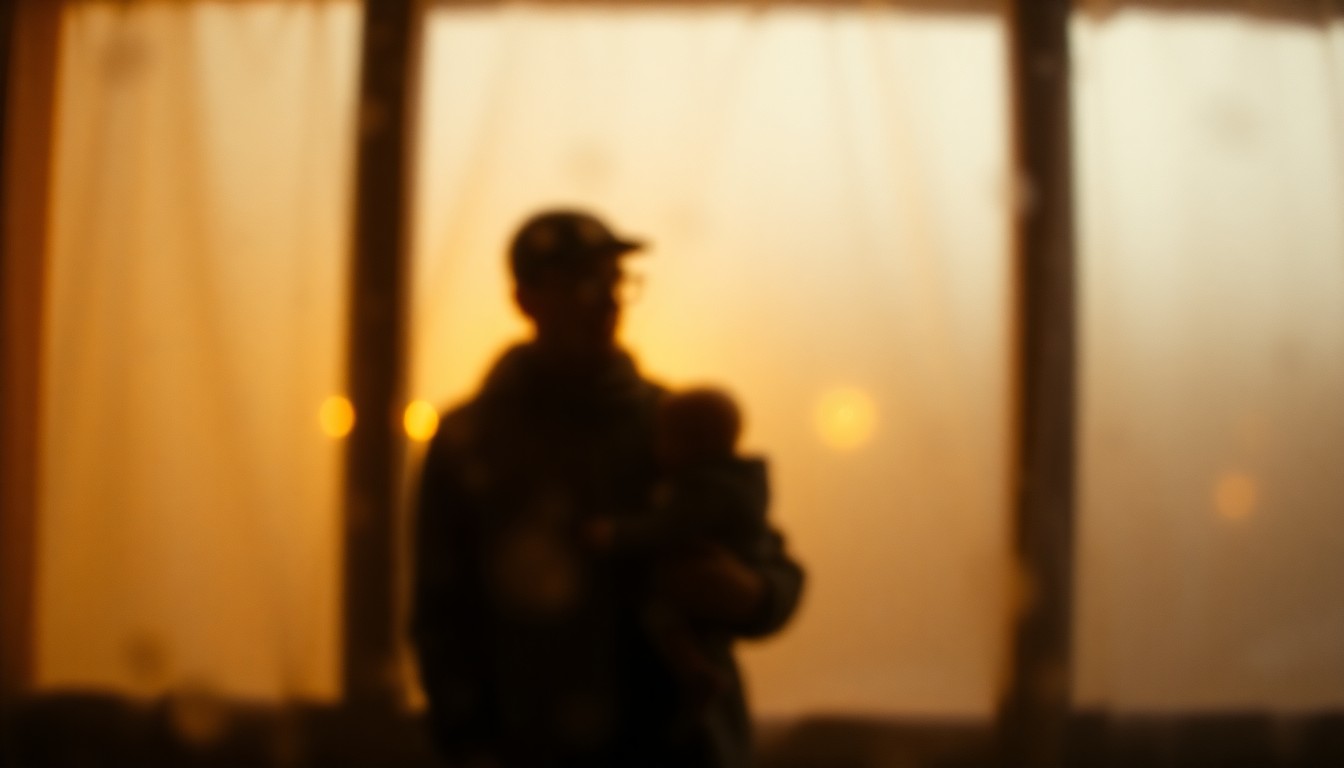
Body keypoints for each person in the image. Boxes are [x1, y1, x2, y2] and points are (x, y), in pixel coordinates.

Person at [411, 209, 804, 768]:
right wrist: (470, 743)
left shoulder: (674, 425)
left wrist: (751, 593)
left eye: (615, 282)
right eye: (582, 282)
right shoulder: (471, 441)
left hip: (673, 744)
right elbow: (441, 617)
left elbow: (773, 568)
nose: (608, 300)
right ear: (526, 298)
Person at [586, 387, 773, 714]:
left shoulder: (705, 488)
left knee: (661, 617)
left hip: (671, 729)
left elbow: (669, 527)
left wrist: (616, 535)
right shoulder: (720, 482)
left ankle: (696, 673)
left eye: (666, 439)